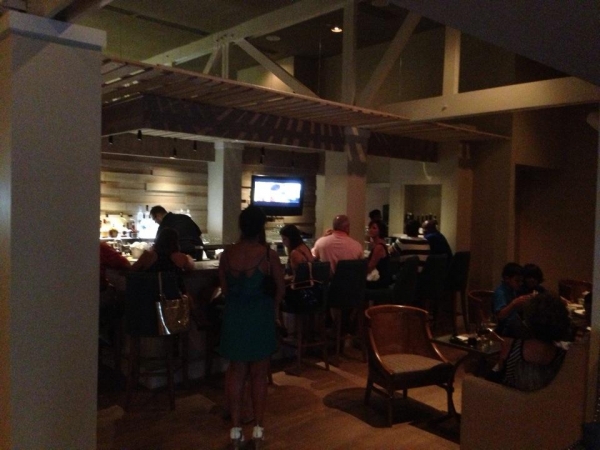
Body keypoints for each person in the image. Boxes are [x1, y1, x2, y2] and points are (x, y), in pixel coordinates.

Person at [218, 205, 285, 448]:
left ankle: (236, 430)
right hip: (260, 318)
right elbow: (280, 289)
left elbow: (225, 290)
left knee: (236, 373)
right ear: (261, 227)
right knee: (259, 376)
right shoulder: (268, 255)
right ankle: (258, 430)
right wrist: (272, 309)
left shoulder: (226, 255)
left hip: (234, 318)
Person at [489, 292, 570, 391]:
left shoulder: (509, 346)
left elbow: (495, 377)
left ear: (528, 320)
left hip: (510, 399)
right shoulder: (565, 357)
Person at [493, 262, 534, 338]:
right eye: (517, 281)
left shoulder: (512, 290)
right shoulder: (501, 292)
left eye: (521, 281)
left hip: (513, 323)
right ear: (507, 279)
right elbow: (500, 316)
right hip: (505, 327)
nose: (520, 283)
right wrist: (514, 303)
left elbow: (515, 311)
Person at [131, 227, 195, 273]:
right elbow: (191, 268)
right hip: (174, 288)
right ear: (176, 242)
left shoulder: (148, 255)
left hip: (151, 287)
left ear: (158, 240)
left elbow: (133, 269)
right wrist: (188, 257)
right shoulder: (181, 257)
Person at [365, 219, 391, 289]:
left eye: (374, 228)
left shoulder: (379, 247)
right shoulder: (380, 244)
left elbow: (370, 267)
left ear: (380, 231)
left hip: (379, 282)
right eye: (370, 227)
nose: (370, 230)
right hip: (380, 279)